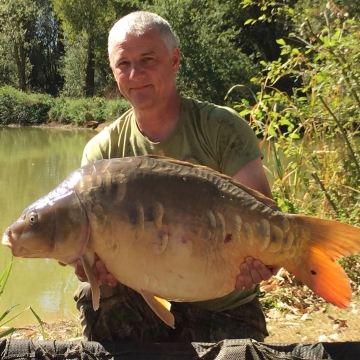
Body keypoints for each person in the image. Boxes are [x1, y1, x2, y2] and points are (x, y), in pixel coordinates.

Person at [73, 10, 278, 343]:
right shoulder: (102, 154)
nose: (135, 73)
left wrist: (269, 262)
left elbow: (267, 223)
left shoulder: (222, 128)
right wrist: (92, 268)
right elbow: (89, 257)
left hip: (223, 305)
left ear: (175, 60)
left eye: (147, 59)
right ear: (113, 71)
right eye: (123, 64)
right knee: (90, 291)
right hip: (142, 302)